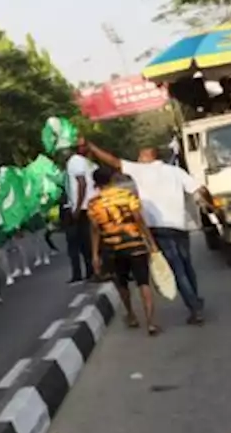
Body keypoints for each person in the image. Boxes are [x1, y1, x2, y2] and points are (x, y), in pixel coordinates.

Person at [80, 138, 214, 325]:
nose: (137, 158)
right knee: (186, 265)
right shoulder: (175, 171)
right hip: (180, 226)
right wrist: (213, 206)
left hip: (158, 227)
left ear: (145, 156)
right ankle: (195, 299)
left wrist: (92, 146)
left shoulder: (139, 170)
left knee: (177, 269)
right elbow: (200, 189)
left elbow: (113, 161)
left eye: (139, 155)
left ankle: (194, 307)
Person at [86, 164, 161, 335]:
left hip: (112, 248)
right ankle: (150, 322)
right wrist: (151, 242)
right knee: (143, 282)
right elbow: (138, 219)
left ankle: (131, 315)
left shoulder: (93, 204)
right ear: (112, 180)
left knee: (122, 283)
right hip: (135, 244)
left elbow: (95, 229)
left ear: (96, 183)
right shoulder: (127, 196)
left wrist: (95, 255)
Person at [61, 145, 96, 284]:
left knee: (82, 242)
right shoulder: (76, 162)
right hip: (77, 207)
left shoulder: (75, 161)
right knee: (80, 243)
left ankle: (88, 272)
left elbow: (82, 184)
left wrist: (78, 207)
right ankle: (84, 272)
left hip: (80, 208)